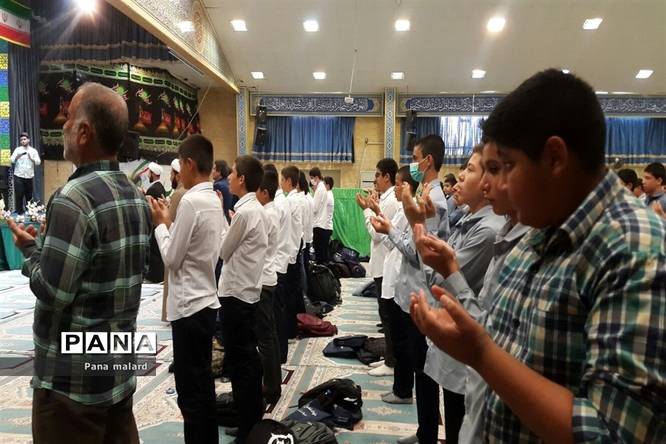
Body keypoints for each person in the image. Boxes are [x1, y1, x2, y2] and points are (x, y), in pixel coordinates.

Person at [410, 69, 666, 443]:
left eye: (507, 167)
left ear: (555, 158)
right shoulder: (537, 229)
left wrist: (481, 354)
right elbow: (498, 338)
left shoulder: (635, 251)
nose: (497, 185)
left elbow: (613, 432)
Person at [8, 82, 151, 443]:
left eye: (69, 118)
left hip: (71, 387)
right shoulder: (135, 195)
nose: (64, 126)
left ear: (85, 132)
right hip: (116, 371)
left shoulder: (73, 198)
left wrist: (30, 251)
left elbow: (54, 292)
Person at [422, 144, 505, 444]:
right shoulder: (470, 218)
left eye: (470, 170)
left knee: (458, 418)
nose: (459, 178)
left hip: (465, 347)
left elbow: (439, 276)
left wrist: (422, 230)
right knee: (455, 417)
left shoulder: (488, 231)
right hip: (458, 338)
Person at [372, 135, 450, 444]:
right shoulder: (425, 194)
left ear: (428, 161)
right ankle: (423, 431)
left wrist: (389, 229)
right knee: (419, 367)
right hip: (413, 292)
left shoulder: (435, 200)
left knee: (424, 369)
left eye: (416, 158)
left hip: (423, 294)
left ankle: (427, 434)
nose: (413, 164)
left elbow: (418, 252)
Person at [149, 135, 222, 443]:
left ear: (190, 164)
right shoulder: (213, 199)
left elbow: (172, 259)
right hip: (204, 301)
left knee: (190, 392)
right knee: (203, 385)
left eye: (180, 164)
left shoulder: (192, 201)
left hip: (189, 306)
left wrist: (160, 224)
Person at [219, 155, 268, 442]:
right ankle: (249, 420)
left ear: (242, 179)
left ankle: (248, 426)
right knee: (246, 359)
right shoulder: (255, 209)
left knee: (241, 363)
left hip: (236, 294)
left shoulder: (246, 212)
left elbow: (223, 251)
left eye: (233, 172)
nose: (228, 176)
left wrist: (224, 224)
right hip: (247, 292)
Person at [369, 165, 419, 410]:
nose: (396, 188)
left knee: (402, 339)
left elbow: (396, 243)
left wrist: (381, 222)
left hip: (401, 278)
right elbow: (391, 238)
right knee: (397, 335)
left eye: (399, 184)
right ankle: (400, 386)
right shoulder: (403, 209)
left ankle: (402, 388)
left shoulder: (410, 210)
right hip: (395, 276)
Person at [356, 157, 400, 377]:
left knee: (388, 316)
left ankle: (391, 362)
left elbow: (376, 234)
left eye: (377, 175)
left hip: (386, 264)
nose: (374, 180)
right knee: (386, 315)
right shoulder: (386, 198)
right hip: (382, 262)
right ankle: (390, 357)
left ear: (386, 177)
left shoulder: (390, 202)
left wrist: (366, 210)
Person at [255, 169, 282, 404]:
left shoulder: (266, 214)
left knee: (265, 338)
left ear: (264, 192)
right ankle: (274, 383)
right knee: (269, 335)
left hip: (263, 279)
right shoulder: (271, 211)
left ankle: (271, 388)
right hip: (268, 276)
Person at [274, 165, 302, 361]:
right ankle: (291, 330)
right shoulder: (291, 199)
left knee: (287, 298)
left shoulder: (289, 200)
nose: (281, 182)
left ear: (289, 181)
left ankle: (290, 331)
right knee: (289, 296)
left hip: (288, 252)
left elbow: (290, 230)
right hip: (291, 250)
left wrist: (291, 253)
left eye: (282, 179)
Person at [161, 158, 188, 322]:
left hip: (175, 245)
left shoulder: (179, 193)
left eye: (171, 173)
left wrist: (161, 213)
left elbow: (168, 222)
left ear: (178, 175)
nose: (170, 177)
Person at [10, 132, 41, 214]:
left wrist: (32, 159)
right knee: (19, 194)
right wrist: (17, 157)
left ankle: (30, 212)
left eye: (24, 139)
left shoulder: (33, 151)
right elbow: (11, 160)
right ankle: (19, 212)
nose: (23, 141)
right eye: (21, 140)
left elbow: (38, 162)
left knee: (29, 195)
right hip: (18, 175)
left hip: (29, 176)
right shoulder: (18, 150)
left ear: (28, 140)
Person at [310, 167, 330, 263]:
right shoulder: (322, 188)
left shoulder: (319, 189)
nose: (311, 180)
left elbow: (314, 208)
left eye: (312, 178)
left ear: (317, 177)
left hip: (318, 224)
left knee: (319, 255)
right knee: (321, 254)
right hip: (321, 223)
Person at [323, 176, 335, 250]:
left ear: (327, 185)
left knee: (323, 250)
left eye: (323, 184)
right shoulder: (328, 194)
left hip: (326, 227)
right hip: (326, 226)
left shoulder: (328, 196)